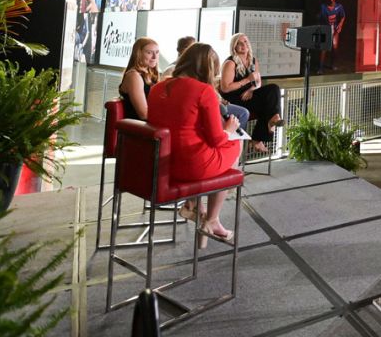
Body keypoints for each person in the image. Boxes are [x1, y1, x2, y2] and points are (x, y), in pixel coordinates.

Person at [146, 43, 242, 248]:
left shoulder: (157, 88)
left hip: (164, 164)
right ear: (208, 68)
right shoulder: (203, 90)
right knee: (235, 146)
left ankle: (196, 207)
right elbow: (217, 139)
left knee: (213, 150)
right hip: (192, 166)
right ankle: (212, 219)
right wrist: (230, 129)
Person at [220, 33, 285, 153]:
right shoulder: (230, 63)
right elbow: (225, 88)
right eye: (239, 43)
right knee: (267, 106)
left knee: (274, 88)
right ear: (234, 47)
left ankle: (274, 117)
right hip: (235, 99)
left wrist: (251, 89)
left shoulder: (253, 60)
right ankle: (258, 139)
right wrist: (247, 81)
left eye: (245, 42)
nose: (243, 45)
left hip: (248, 95)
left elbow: (258, 82)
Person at [118, 37, 161, 120]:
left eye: (157, 52)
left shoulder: (151, 74)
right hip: (137, 128)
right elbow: (144, 115)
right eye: (149, 53)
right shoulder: (134, 76)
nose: (154, 57)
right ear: (138, 54)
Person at [316, 0, 348, 73]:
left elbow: (343, 16)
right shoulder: (323, 7)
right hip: (325, 30)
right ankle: (320, 68)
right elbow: (319, 18)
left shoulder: (339, 6)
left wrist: (340, 25)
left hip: (335, 30)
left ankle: (333, 64)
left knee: (334, 48)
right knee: (323, 48)